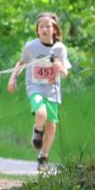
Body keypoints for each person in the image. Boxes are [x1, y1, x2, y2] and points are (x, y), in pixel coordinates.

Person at [7, 12, 70, 172]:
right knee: (41, 114)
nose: (45, 29)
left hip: (52, 90)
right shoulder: (31, 46)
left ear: (54, 29)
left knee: (52, 127)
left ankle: (43, 156)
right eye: (41, 27)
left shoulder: (60, 49)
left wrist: (59, 68)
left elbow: (65, 74)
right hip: (35, 87)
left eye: (48, 26)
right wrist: (12, 78)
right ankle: (37, 130)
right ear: (37, 30)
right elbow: (21, 63)